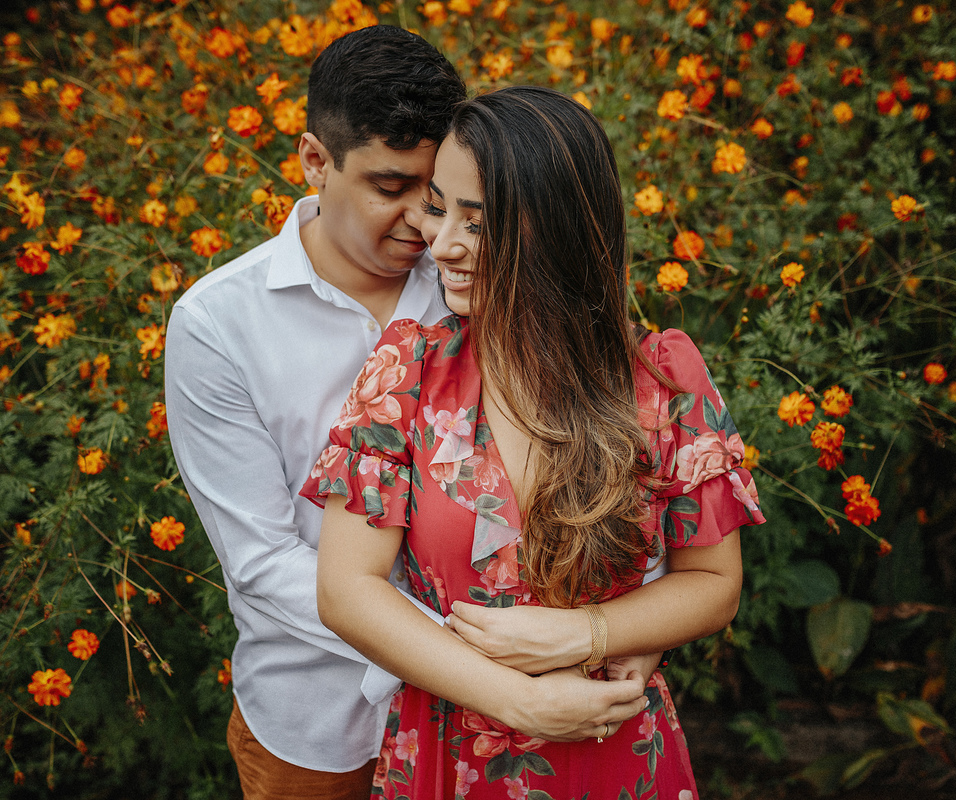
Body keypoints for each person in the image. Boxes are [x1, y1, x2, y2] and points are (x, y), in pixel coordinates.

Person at [166, 31, 652, 800]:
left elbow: (593, 447)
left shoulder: (479, 271)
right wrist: (484, 658)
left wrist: (606, 630)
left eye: (436, 195)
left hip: (512, 724)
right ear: (314, 161)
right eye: (390, 188)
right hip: (324, 721)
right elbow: (262, 564)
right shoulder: (218, 325)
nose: (424, 226)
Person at [303, 86, 765, 798]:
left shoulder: (661, 377)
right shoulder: (409, 370)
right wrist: (513, 699)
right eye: (439, 207)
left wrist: (592, 633)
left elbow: (713, 583)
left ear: (555, 231)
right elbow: (346, 590)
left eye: (478, 223)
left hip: (611, 747)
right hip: (449, 747)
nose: (442, 244)